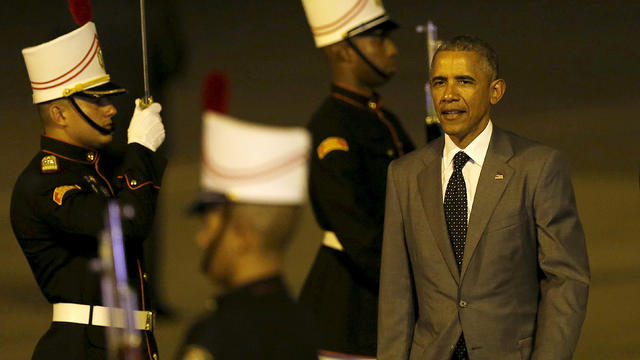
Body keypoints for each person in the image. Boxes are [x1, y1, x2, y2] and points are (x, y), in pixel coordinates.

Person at [378, 35, 590, 360]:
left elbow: (566, 280)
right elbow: (395, 292)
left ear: (495, 91)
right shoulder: (404, 175)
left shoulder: (536, 167)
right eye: (439, 82)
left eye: (464, 81)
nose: (449, 95)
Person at [10, 21, 166, 360]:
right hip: (83, 349)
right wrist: (139, 150)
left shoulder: (91, 171)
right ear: (59, 113)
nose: (111, 109)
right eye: (96, 101)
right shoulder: (45, 184)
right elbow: (125, 226)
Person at [298, 0, 415, 357]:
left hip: (382, 296)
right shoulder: (331, 128)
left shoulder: (383, 119)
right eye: (377, 40)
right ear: (342, 52)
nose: (391, 49)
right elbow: (356, 229)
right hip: (349, 309)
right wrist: (417, 281)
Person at [176, 109, 318, 360]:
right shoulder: (302, 324)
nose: (201, 239)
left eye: (209, 226)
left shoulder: (218, 336)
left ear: (242, 236)